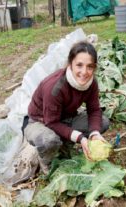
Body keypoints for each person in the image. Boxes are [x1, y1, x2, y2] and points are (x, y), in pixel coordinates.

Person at [23, 41, 110, 174]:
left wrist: (94, 134)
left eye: (90, 67)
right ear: (70, 64)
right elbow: (51, 122)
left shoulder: (91, 83)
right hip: (41, 121)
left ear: (94, 67)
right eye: (79, 65)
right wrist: (80, 138)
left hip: (66, 117)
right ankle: (46, 161)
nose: (84, 72)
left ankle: (65, 143)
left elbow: (94, 110)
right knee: (49, 141)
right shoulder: (55, 87)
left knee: (102, 123)